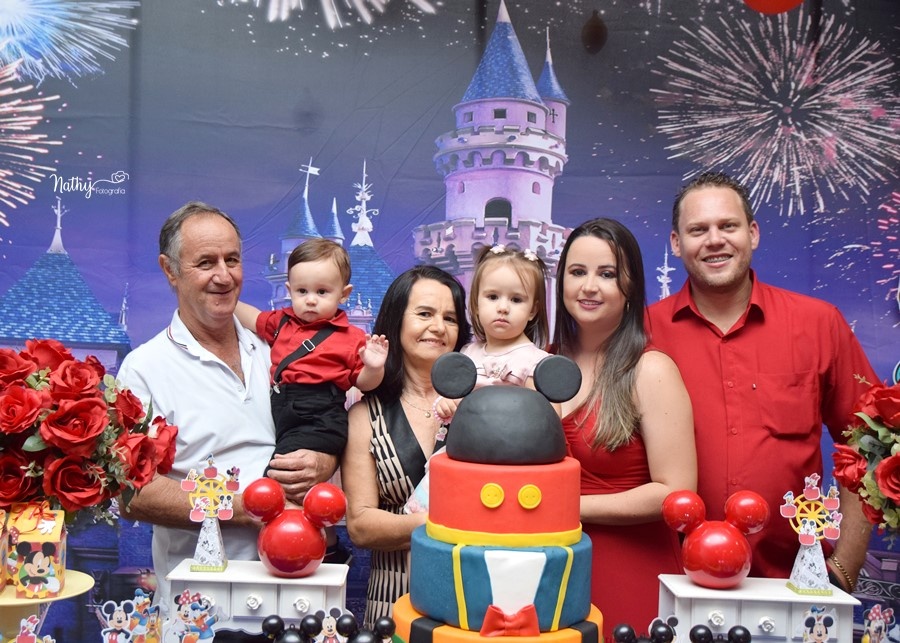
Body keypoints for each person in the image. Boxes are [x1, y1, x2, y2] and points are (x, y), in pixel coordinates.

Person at [647, 171, 879, 591]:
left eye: (728, 226)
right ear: (676, 243)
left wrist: (845, 565)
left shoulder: (818, 324)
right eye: (698, 230)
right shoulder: (643, 334)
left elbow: (868, 443)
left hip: (794, 582)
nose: (715, 240)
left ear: (752, 233)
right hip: (669, 581)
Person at [118, 202, 335, 617]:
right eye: (206, 263)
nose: (224, 276)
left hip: (299, 594)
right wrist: (251, 508)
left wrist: (323, 459)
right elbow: (135, 494)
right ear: (169, 270)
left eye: (232, 260)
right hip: (201, 607)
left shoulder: (280, 347)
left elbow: (328, 424)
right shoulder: (144, 369)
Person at [552, 217, 696, 636]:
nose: (589, 286)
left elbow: (675, 492)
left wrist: (564, 507)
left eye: (607, 274)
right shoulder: (540, 365)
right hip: (553, 574)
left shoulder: (650, 370)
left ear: (631, 287)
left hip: (631, 571)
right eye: (577, 272)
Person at [340, 265, 471, 628]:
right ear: (396, 321)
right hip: (392, 600)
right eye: (425, 314)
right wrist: (445, 525)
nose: (439, 327)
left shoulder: (478, 408)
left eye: (450, 318)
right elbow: (361, 525)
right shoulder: (365, 415)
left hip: (470, 596)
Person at [235, 238, 388, 470]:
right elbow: (253, 318)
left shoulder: (352, 336)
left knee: (282, 469)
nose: (310, 300)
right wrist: (227, 301)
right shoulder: (282, 321)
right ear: (289, 291)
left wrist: (374, 368)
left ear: (344, 294)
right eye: (302, 291)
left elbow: (364, 383)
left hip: (319, 415)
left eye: (322, 291)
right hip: (282, 408)